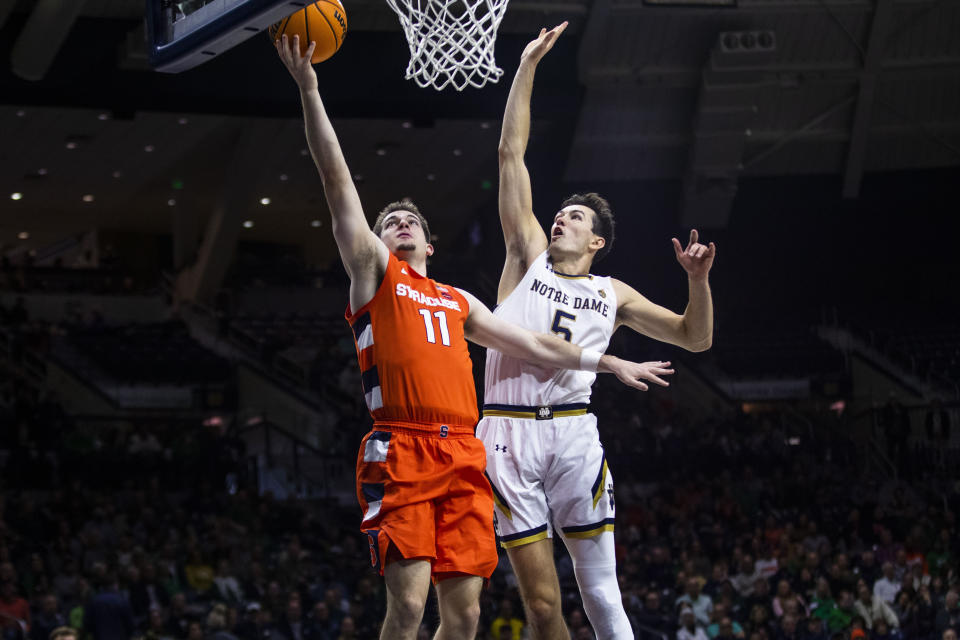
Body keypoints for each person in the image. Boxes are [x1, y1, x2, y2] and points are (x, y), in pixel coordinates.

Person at [276, 34, 671, 640]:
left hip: (465, 451)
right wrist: (310, 90)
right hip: (402, 445)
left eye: (410, 221)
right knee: (408, 609)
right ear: (377, 243)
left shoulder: (458, 300)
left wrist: (607, 359)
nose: (399, 224)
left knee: (465, 617)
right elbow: (336, 182)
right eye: (389, 223)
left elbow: (534, 344)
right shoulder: (374, 275)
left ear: (430, 246)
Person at [477, 22, 715, 640]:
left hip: (576, 433)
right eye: (560, 212)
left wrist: (696, 280)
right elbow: (510, 155)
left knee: (603, 591)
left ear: (597, 240)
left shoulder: (613, 293)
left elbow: (695, 338)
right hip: (509, 430)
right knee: (544, 607)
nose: (560, 218)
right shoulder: (526, 252)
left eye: (574, 216)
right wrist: (527, 66)